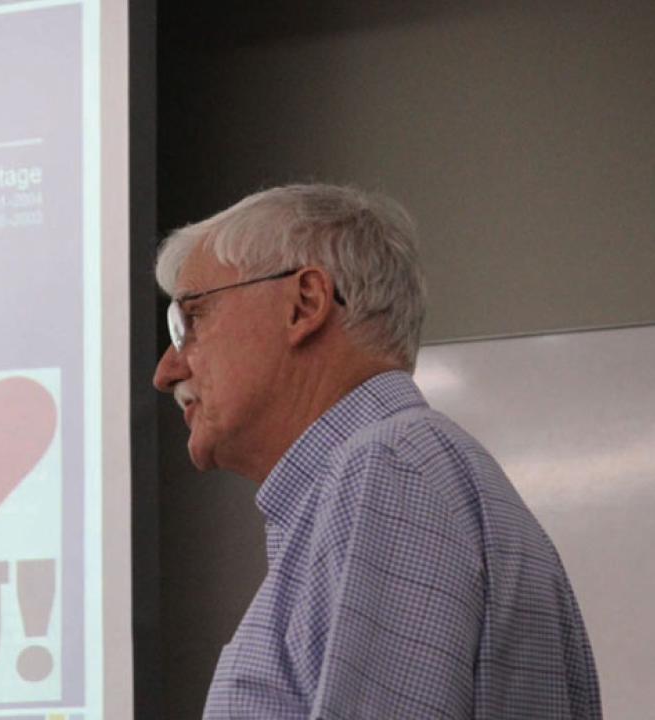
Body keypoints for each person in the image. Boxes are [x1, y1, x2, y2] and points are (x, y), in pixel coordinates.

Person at [152, 185, 601, 718]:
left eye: (191, 321)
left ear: (305, 304)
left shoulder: (392, 467)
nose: (166, 371)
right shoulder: (396, 471)